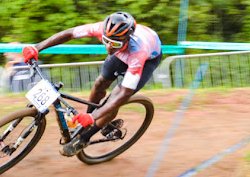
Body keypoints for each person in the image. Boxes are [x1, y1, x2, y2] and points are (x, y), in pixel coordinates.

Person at [22, 12, 162, 156]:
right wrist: (37, 47)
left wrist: (93, 117)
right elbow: (69, 34)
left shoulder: (138, 51)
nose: (109, 48)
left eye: (114, 43)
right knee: (99, 84)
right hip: (121, 55)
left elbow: (124, 94)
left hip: (146, 60)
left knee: (114, 99)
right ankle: (86, 122)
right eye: (105, 41)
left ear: (127, 38)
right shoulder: (100, 29)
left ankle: (84, 138)